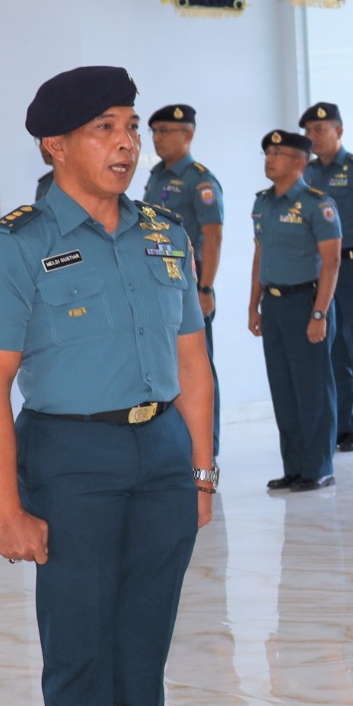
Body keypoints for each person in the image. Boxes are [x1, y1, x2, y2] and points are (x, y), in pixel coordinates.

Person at [0, 65, 222, 706]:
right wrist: (6, 508)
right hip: (72, 459)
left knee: (141, 646)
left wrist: (202, 471)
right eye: (105, 129)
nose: (126, 144)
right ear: (56, 145)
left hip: (162, 456)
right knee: (80, 650)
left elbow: (195, 365)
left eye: (131, 127)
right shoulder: (15, 246)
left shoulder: (163, 233)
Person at [250, 129, 342, 492]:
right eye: (268, 153)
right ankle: (294, 466)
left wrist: (319, 314)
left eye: (278, 154)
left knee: (313, 389)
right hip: (273, 304)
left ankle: (318, 467)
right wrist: (253, 305)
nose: (270, 159)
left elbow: (332, 262)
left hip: (305, 302)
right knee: (283, 389)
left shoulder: (317, 204)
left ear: (299, 163)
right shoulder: (263, 203)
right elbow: (260, 255)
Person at [301, 101, 353, 452]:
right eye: (308, 131)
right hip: (322, 270)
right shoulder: (307, 172)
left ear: (338, 130)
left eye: (319, 129)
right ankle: (340, 422)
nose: (312, 136)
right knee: (332, 347)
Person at [143, 103, 224, 454]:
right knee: (167, 364)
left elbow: (213, 236)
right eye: (154, 132)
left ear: (187, 134)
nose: (157, 138)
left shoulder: (200, 180)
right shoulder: (156, 176)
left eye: (165, 131)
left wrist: (205, 288)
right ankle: (179, 442)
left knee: (198, 365)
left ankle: (207, 447)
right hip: (157, 280)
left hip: (190, 281)